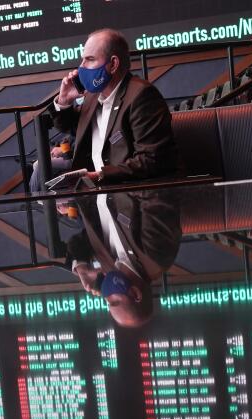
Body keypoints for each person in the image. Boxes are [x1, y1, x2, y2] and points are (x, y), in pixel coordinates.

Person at [50, 28, 181, 327]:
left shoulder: (141, 95)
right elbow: (75, 126)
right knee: (38, 178)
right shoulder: (155, 258)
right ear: (135, 294)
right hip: (102, 187)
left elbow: (153, 159)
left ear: (112, 64)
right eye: (112, 300)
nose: (82, 68)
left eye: (89, 60)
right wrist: (65, 101)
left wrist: (80, 266)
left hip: (114, 188)